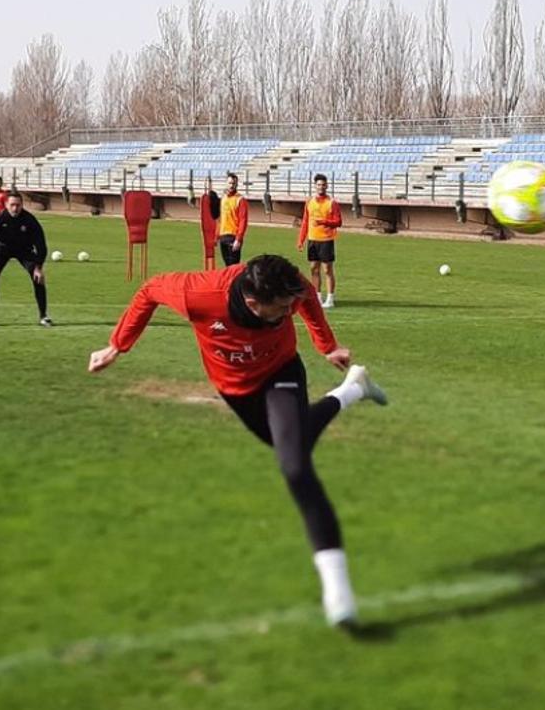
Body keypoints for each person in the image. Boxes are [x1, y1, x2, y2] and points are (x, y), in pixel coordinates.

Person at [87, 254, 388, 627]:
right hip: (235, 388)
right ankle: (354, 390)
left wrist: (326, 345)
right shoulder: (199, 294)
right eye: (280, 309)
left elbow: (306, 294)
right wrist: (117, 345)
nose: (289, 312)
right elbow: (149, 291)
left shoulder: (287, 287)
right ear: (252, 302)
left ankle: (338, 594)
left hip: (281, 372)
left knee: (295, 466)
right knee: (287, 444)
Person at [0, 193, 51, 327]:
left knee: (38, 278)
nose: (15, 208)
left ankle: (44, 316)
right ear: (6, 205)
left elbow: (41, 244)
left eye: (18, 205)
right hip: (2, 249)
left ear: (22, 205)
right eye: (12, 205)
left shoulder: (29, 219)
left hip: (24, 250)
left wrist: (38, 267)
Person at [297, 174, 342, 309]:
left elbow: (338, 222)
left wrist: (323, 222)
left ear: (327, 186)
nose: (321, 187)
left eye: (323, 185)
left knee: (327, 269)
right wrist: (301, 239)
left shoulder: (332, 203)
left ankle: (330, 298)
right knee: (313, 269)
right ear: (315, 186)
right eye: (318, 185)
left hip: (326, 240)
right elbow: (305, 221)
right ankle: (317, 296)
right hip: (312, 240)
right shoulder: (309, 202)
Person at [217, 173, 249, 267]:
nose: (231, 185)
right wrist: (217, 235)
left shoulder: (240, 200)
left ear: (236, 184)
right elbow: (221, 218)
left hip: (233, 236)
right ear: (226, 183)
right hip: (223, 236)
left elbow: (243, 220)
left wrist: (238, 239)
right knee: (227, 266)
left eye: (233, 183)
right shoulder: (223, 198)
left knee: (233, 267)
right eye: (230, 183)